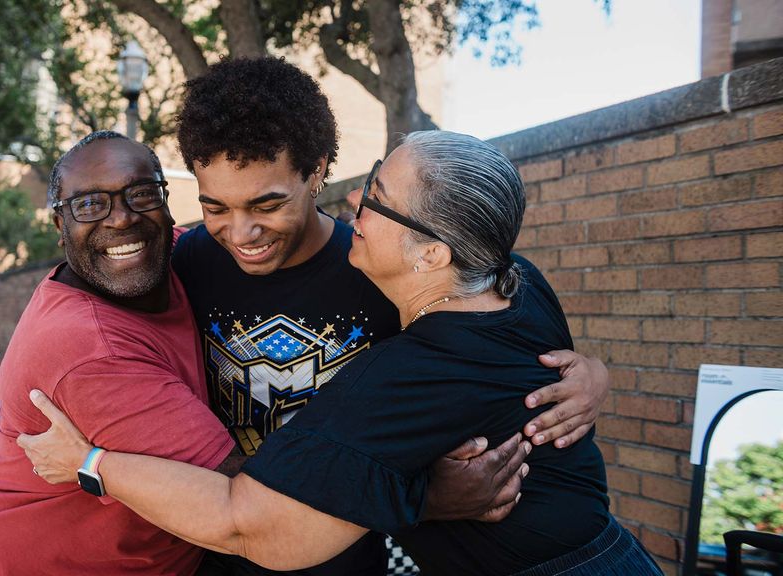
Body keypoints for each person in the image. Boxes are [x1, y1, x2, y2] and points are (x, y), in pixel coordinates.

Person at [20, 131, 662, 575]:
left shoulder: (399, 379)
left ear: (433, 253)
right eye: (371, 181)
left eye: (379, 200)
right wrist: (592, 373)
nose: (357, 203)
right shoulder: (518, 283)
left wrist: (91, 462)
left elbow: (245, 523)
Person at [0, 132, 527, 575]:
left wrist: (570, 365)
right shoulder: (92, 350)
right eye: (89, 204)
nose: (121, 220)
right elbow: (252, 508)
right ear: (58, 224)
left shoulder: (178, 256)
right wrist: (427, 498)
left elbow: (483, 263)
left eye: (141, 194)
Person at [165, 57, 609, 574]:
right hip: (217, 549)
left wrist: (588, 376)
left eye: (267, 205)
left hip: (350, 559)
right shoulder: (188, 265)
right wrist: (427, 497)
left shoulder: (382, 270)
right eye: (216, 208)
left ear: (316, 172)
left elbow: (491, 322)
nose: (241, 233)